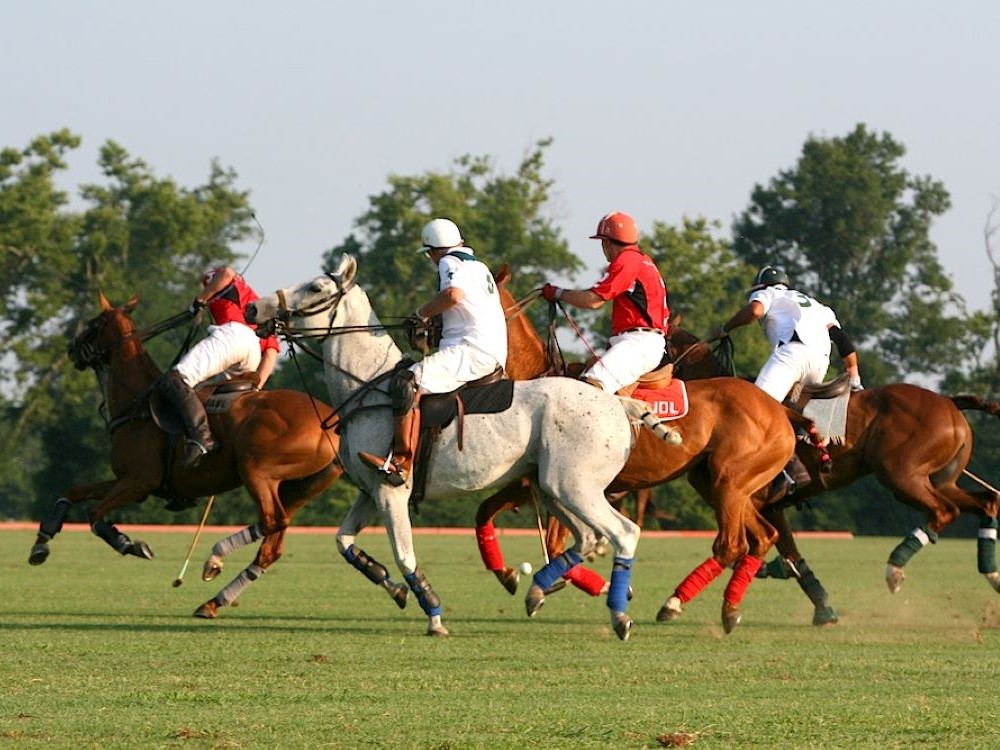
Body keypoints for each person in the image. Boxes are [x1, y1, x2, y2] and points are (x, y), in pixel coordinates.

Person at [358, 218, 508, 486]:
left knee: (407, 381)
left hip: (471, 350)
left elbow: (453, 296)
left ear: (432, 251)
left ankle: (401, 462)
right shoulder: (479, 266)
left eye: (429, 254)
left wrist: (420, 313)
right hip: (489, 348)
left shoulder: (449, 263)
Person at [715, 264, 862, 496]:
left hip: (792, 355)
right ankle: (799, 462)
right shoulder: (816, 304)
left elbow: (754, 312)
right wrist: (854, 376)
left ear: (762, 285)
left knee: (755, 409)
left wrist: (725, 328)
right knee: (789, 410)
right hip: (820, 363)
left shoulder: (769, 293)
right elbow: (841, 340)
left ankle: (787, 469)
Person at [157, 265, 281, 468]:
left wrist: (200, 300)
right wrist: (256, 386)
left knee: (175, 380)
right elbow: (271, 352)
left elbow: (226, 273)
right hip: (251, 350)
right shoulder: (257, 305)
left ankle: (201, 437)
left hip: (232, 335)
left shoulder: (226, 280)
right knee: (214, 405)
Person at [541, 211, 669, 393]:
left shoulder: (627, 261)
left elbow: (592, 300)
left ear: (607, 243)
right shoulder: (644, 261)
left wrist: (558, 293)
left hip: (638, 343)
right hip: (641, 341)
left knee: (591, 386)